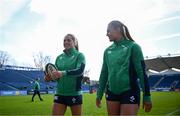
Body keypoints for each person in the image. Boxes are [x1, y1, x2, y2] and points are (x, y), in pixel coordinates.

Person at [96, 20, 152, 115]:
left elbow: (141, 73)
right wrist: (99, 94)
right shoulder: (107, 51)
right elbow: (104, 73)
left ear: (118, 29)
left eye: (109, 31)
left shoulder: (133, 47)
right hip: (111, 92)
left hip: (129, 91)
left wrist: (147, 96)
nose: (107, 34)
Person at [44, 34, 86, 115]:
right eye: (64, 40)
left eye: (69, 40)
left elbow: (80, 71)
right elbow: (56, 77)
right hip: (60, 94)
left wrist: (62, 73)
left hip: (74, 93)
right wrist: (49, 78)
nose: (66, 42)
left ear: (75, 42)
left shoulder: (80, 55)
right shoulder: (59, 57)